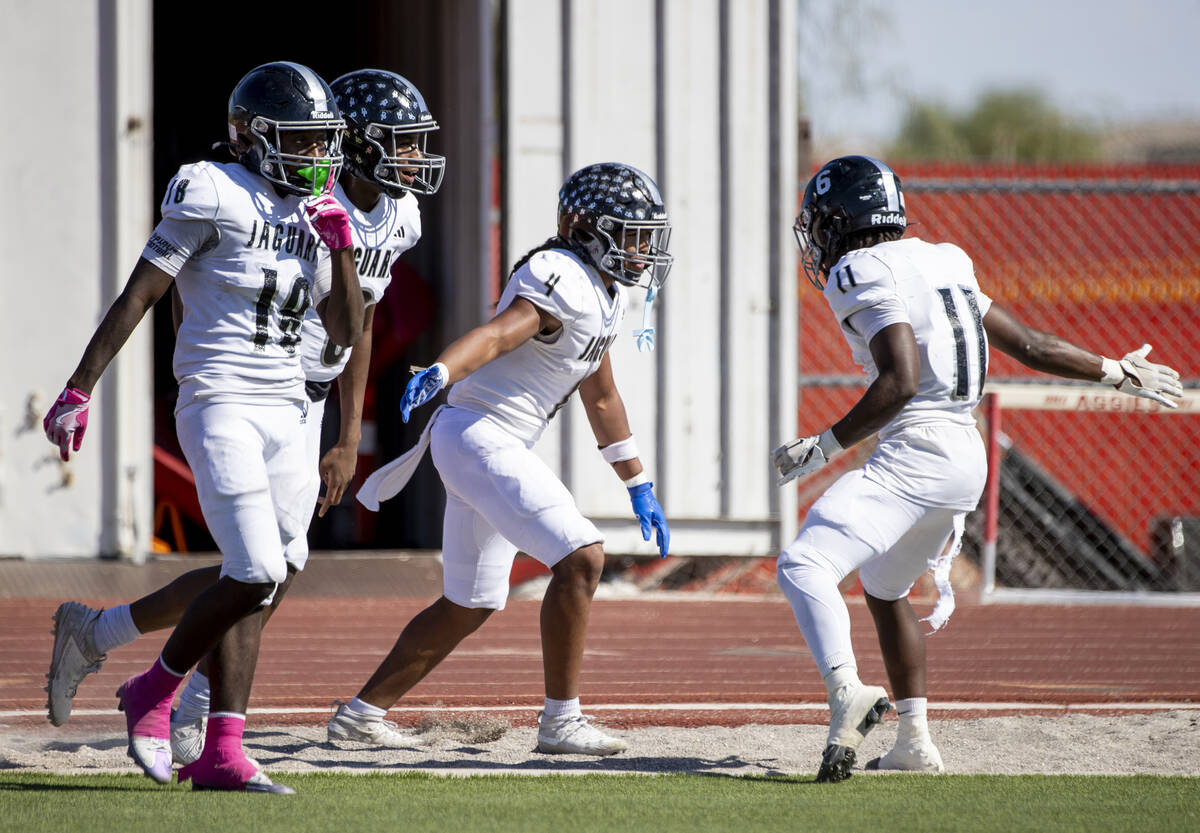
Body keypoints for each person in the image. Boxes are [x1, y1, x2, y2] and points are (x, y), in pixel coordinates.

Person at [45, 69, 443, 766]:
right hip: (229, 395)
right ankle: (179, 699)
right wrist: (88, 385)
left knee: (270, 571)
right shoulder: (223, 189)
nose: (317, 153)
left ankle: (110, 641)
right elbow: (165, 294)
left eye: (322, 140)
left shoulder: (359, 214)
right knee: (254, 569)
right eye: (403, 144)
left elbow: (357, 326)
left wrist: (349, 431)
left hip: (301, 401)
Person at [773, 154, 1183, 783]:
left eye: (821, 222)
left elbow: (901, 380)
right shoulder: (945, 258)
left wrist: (824, 445)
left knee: (805, 564)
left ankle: (846, 692)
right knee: (884, 588)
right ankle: (913, 740)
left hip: (919, 447)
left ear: (840, 220)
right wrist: (1117, 371)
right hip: (966, 453)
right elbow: (1031, 345)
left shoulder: (858, 268)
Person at [334, 161, 673, 756]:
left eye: (647, 236)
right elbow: (497, 334)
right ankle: (561, 721)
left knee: (469, 602)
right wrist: (443, 368)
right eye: (631, 233)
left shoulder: (602, 293)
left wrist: (638, 483)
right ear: (586, 228)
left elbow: (602, 394)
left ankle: (361, 714)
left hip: (485, 442)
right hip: (479, 436)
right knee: (583, 557)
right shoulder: (560, 273)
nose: (642, 249)